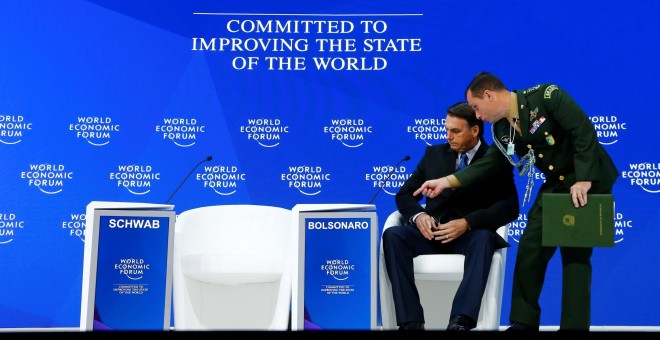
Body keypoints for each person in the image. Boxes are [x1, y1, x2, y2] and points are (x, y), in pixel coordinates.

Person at [413, 72, 619, 331]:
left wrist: (585, 179)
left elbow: (583, 131)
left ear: (489, 95)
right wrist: (447, 181)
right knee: (530, 247)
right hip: (556, 183)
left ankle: (574, 327)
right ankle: (524, 322)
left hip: (589, 180)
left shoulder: (547, 96)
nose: (477, 115)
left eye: (476, 107)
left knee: (575, 256)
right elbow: (493, 163)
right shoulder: (501, 129)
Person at [382, 101, 519, 331]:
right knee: (393, 236)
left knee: (485, 239)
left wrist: (467, 223)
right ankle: (410, 322)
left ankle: (460, 321)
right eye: (446, 130)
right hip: (431, 233)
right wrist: (419, 217)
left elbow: (510, 206)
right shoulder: (434, 154)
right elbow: (405, 194)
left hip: (469, 235)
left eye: (455, 131)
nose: (448, 136)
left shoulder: (495, 159)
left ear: (475, 130)